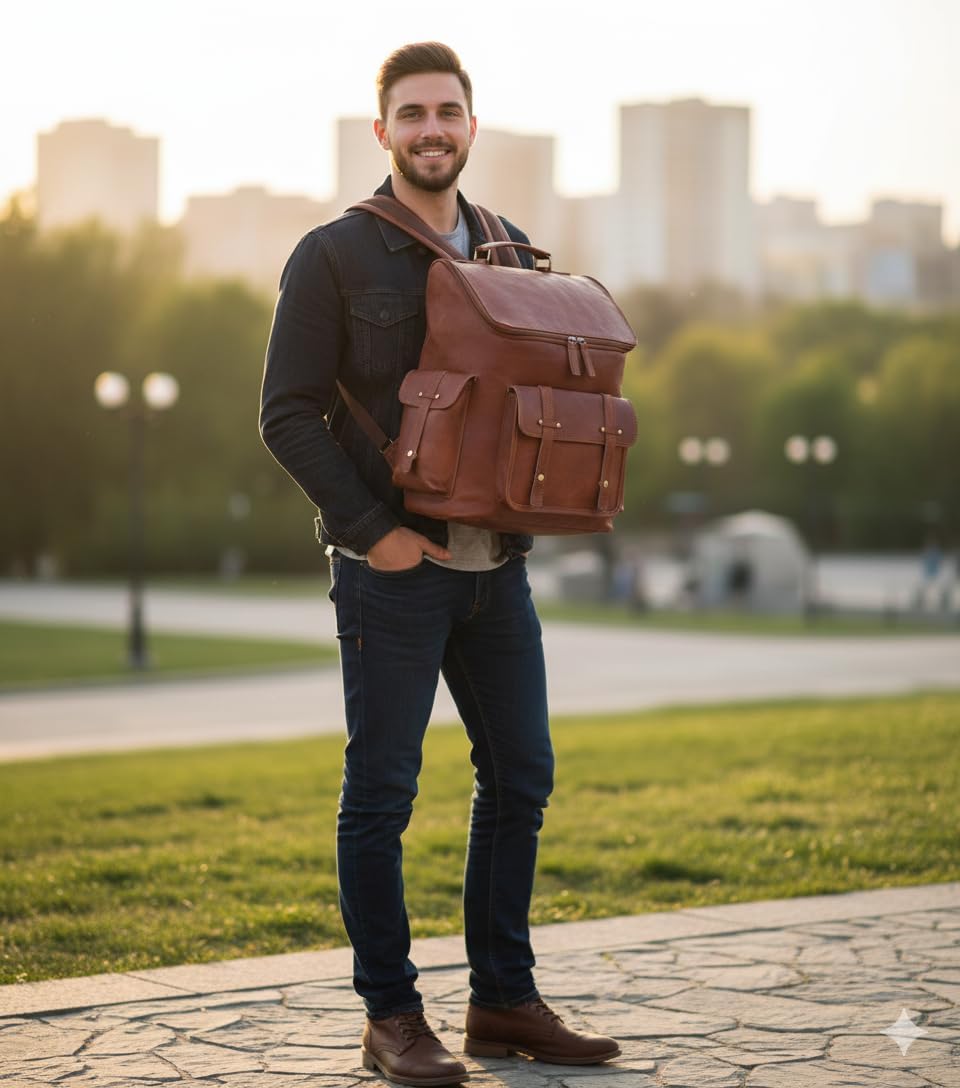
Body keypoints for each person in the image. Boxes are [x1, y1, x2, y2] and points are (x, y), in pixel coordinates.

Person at [260, 41, 620, 1086]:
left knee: (522, 776)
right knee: (382, 794)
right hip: (392, 570)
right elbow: (285, 413)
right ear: (383, 131)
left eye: (447, 112)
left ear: (471, 125)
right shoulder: (333, 254)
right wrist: (373, 530)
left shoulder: (510, 248)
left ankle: (503, 998)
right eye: (412, 114)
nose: (432, 130)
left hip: (495, 567)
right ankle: (391, 1017)